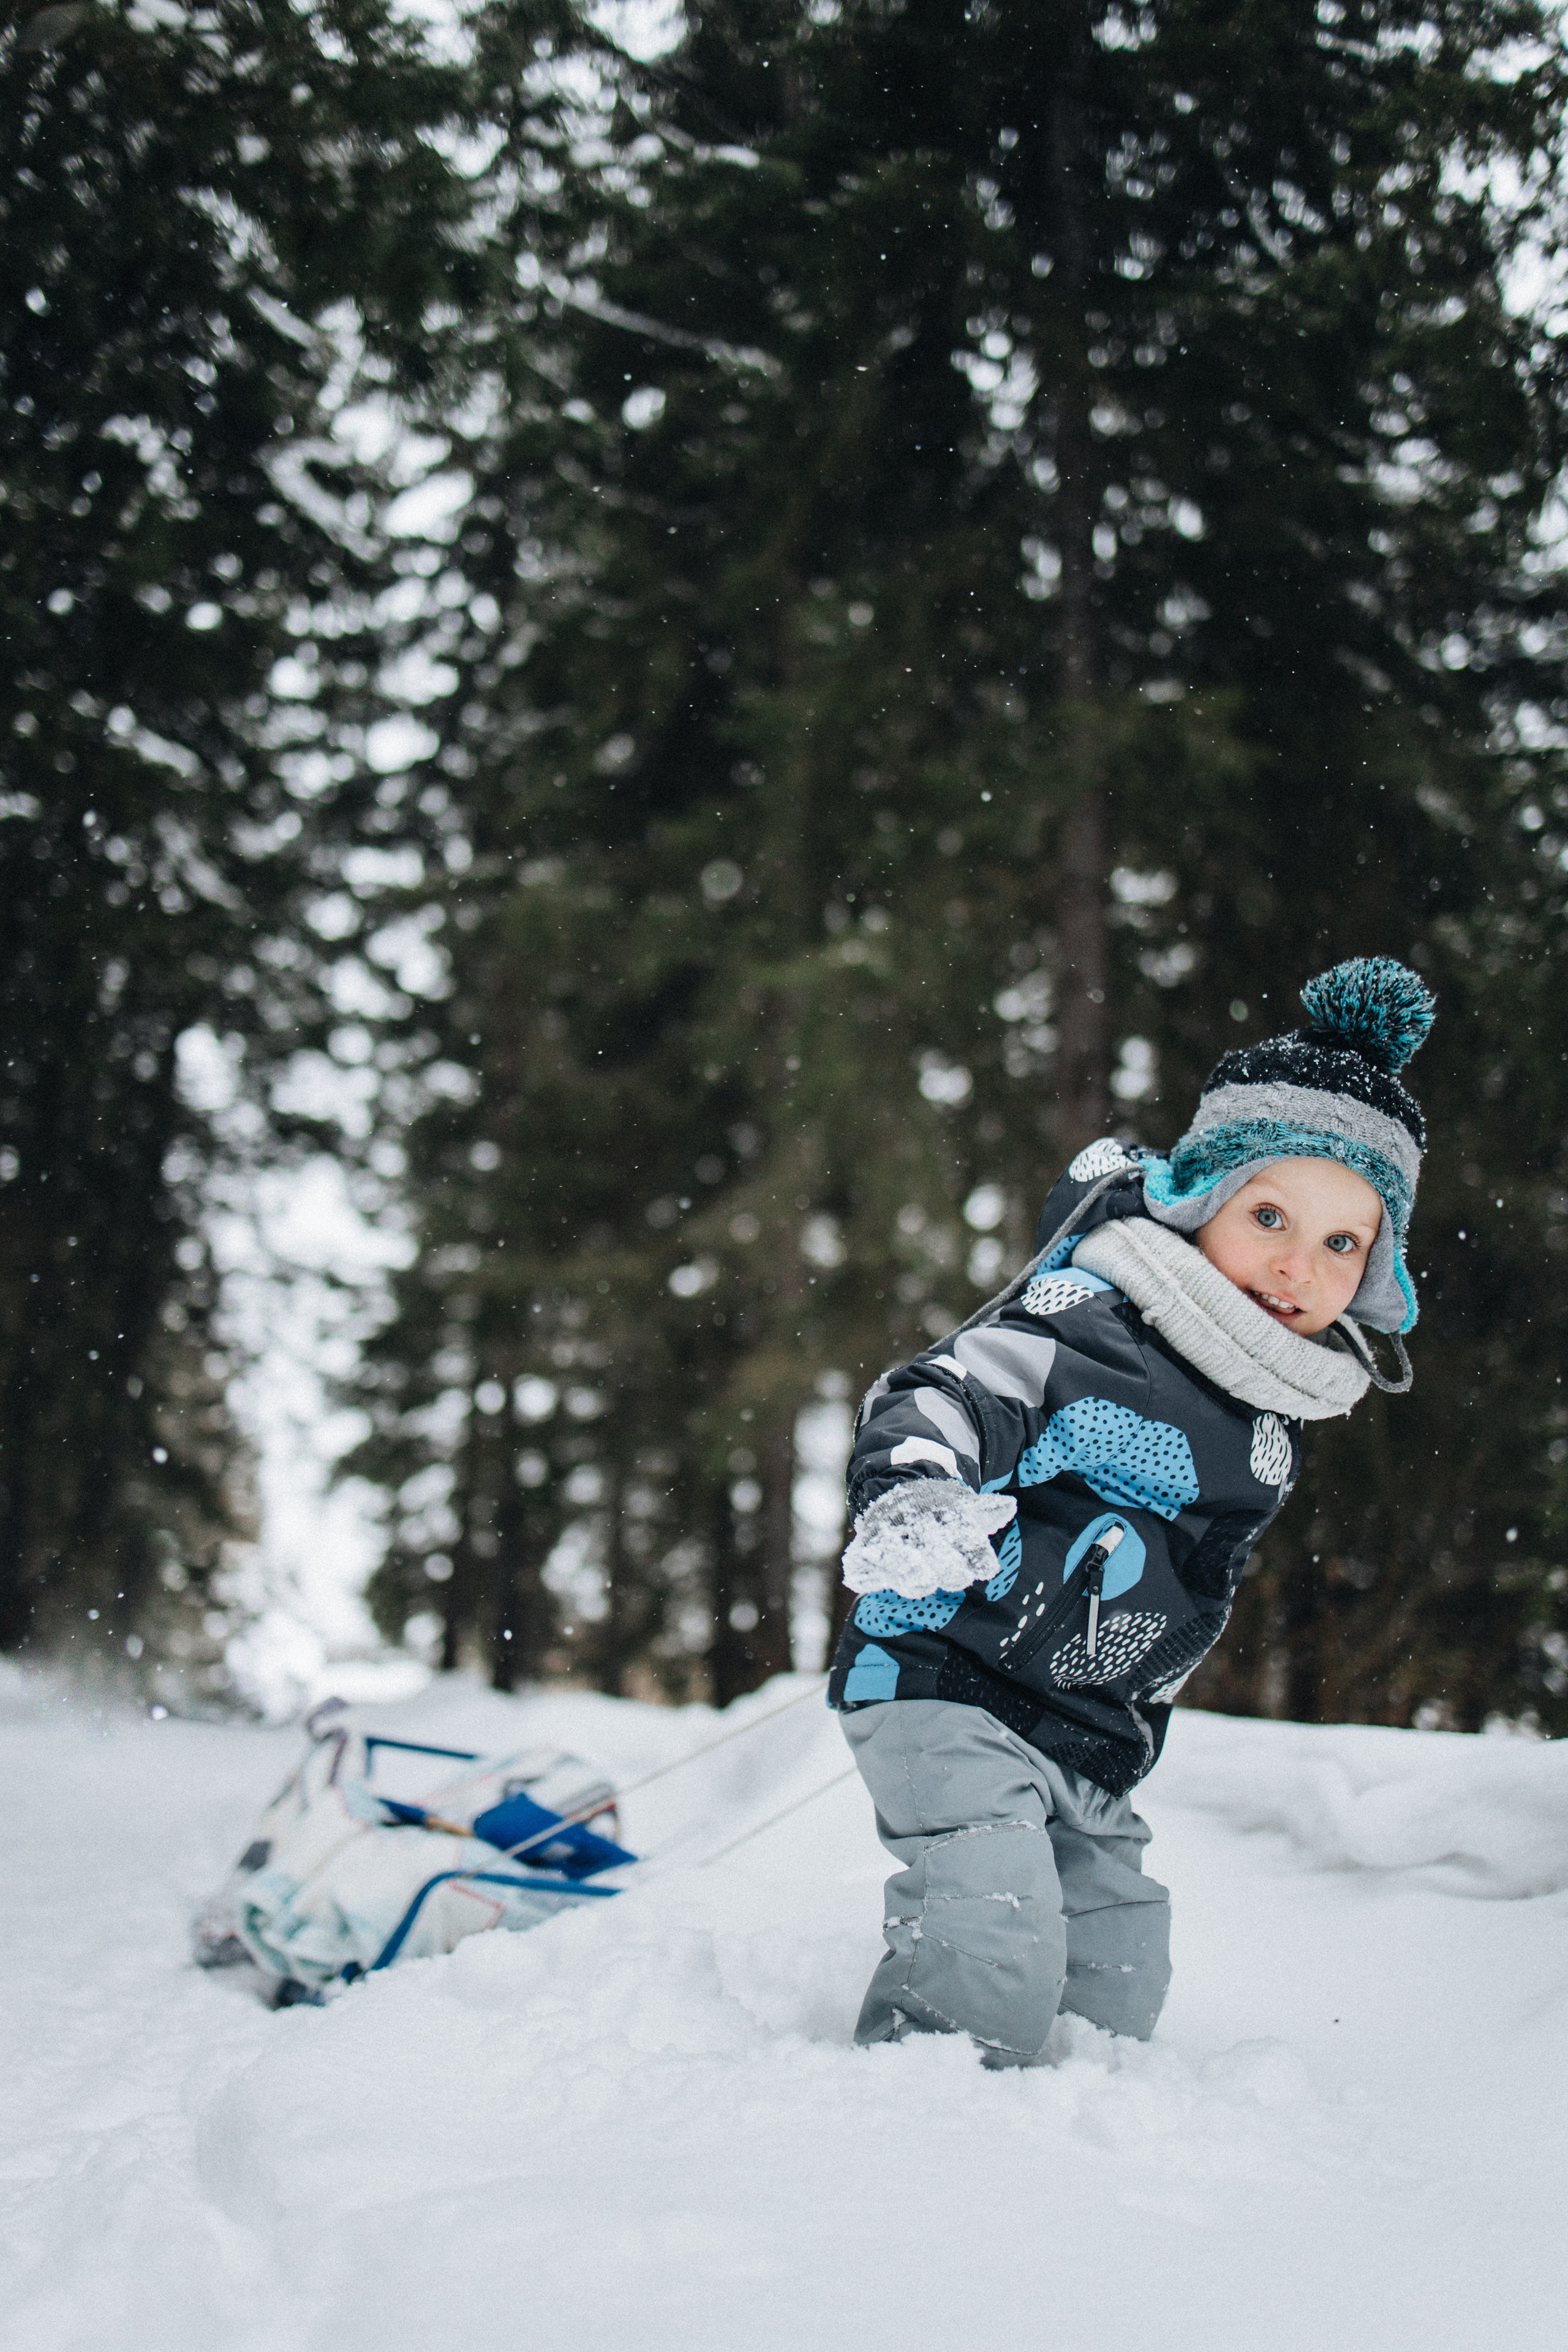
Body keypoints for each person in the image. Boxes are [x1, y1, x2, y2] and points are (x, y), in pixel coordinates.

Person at [828, 956, 1434, 2065]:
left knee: (1117, 1970)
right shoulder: (1095, 1322)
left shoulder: (1269, 1402)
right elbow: (947, 1391)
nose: (1298, 1265)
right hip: (949, 1672)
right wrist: (918, 1492)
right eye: (1270, 1214)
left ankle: (1077, 2129)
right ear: (1201, 1200)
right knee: (992, 1922)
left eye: (1342, 1243)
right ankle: (919, 2114)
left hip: (1092, 1729)